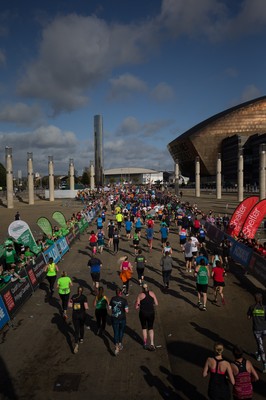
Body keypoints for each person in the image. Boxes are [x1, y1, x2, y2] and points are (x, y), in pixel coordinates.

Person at [135, 283, 158, 351]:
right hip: (151, 313)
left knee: (144, 327)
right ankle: (152, 344)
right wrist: (151, 304)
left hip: (143, 313)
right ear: (147, 287)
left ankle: (145, 343)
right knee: (150, 328)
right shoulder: (152, 293)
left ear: (142, 288)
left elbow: (137, 306)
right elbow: (156, 303)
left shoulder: (140, 295)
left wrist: (137, 304)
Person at [247, 292, 266, 373]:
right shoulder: (265, 308)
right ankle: (258, 355)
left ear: (255, 299)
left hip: (256, 329)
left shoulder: (251, 307)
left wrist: (253, 315)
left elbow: (248, 317)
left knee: (261, 346)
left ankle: (264, 364)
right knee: (260, 343)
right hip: (265, 329)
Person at [69, 286, 89, 354]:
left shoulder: (73, 296)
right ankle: (81, 339)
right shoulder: (84, 297)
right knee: (81, 327)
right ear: (82, 291)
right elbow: (86, 307)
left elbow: (70, 305)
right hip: (82, 315)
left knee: (76, 330)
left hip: (75, 315)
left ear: (77, 290)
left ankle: (76, 344)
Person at [109, 287, 129, 356]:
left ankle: (116, 346)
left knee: (116, 332)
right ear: (120, 293)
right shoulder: (124, 300)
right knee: (121, 331)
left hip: (114, 318)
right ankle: (120, 343)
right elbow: (127, 310)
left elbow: (109, 307)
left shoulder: (112, 299)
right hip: (122, 318)